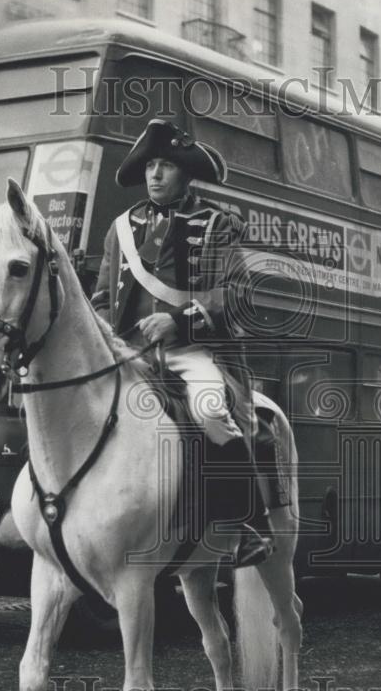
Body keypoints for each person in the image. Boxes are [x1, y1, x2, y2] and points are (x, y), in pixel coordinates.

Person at [92, 119, 273, 566]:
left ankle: (247, 525)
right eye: (150, 164)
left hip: (191, 352)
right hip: (129, 353)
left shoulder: (217, 224)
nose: (155, 174)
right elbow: (100, 299)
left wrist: (180, 322)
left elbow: (237, 294)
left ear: (185, 173)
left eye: (166, 166)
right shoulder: (121, 228)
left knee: (211, 411)